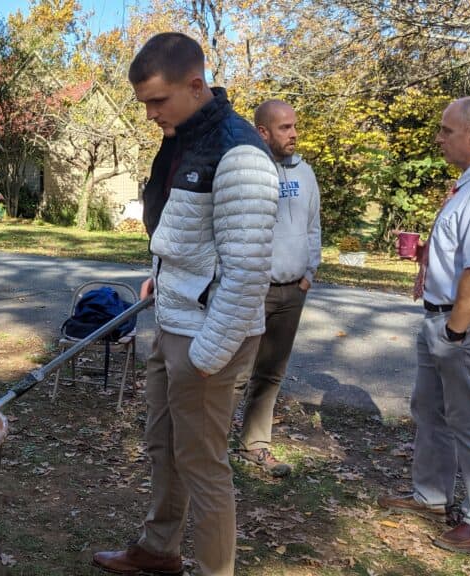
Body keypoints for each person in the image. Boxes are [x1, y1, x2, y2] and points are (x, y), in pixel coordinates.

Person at [92, 33, 278, 576]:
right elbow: (190, 236)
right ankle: (158, 551)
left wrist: (205, 356)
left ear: (196, 85)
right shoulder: (181, 137)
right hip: (175, 321)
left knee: (203, 466)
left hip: (206, 338)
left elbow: (246, 274)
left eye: (158, 101)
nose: (150, 114)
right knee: (163, 447)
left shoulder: (239, 152)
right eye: (144, 103)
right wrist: (163, 278)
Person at [378, 96, 470, 554]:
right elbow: (464, 255)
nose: (439, 137)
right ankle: (432, 496)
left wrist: (455, 333)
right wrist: (429, 257)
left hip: (467, 326)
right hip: (444, 319)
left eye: (446, 130)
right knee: (431, 412)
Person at [233, 100, 321, 477]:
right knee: (234, 374)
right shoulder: (246, 172)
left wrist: (308, 274)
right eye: (284, 127)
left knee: (270, 374)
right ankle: (211, 448)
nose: (294, 133)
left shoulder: (306, 173)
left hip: (292, 291)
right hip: (253, 290)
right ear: (262, 132)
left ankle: (255, 444)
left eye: (294, 125)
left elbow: (314, 226)